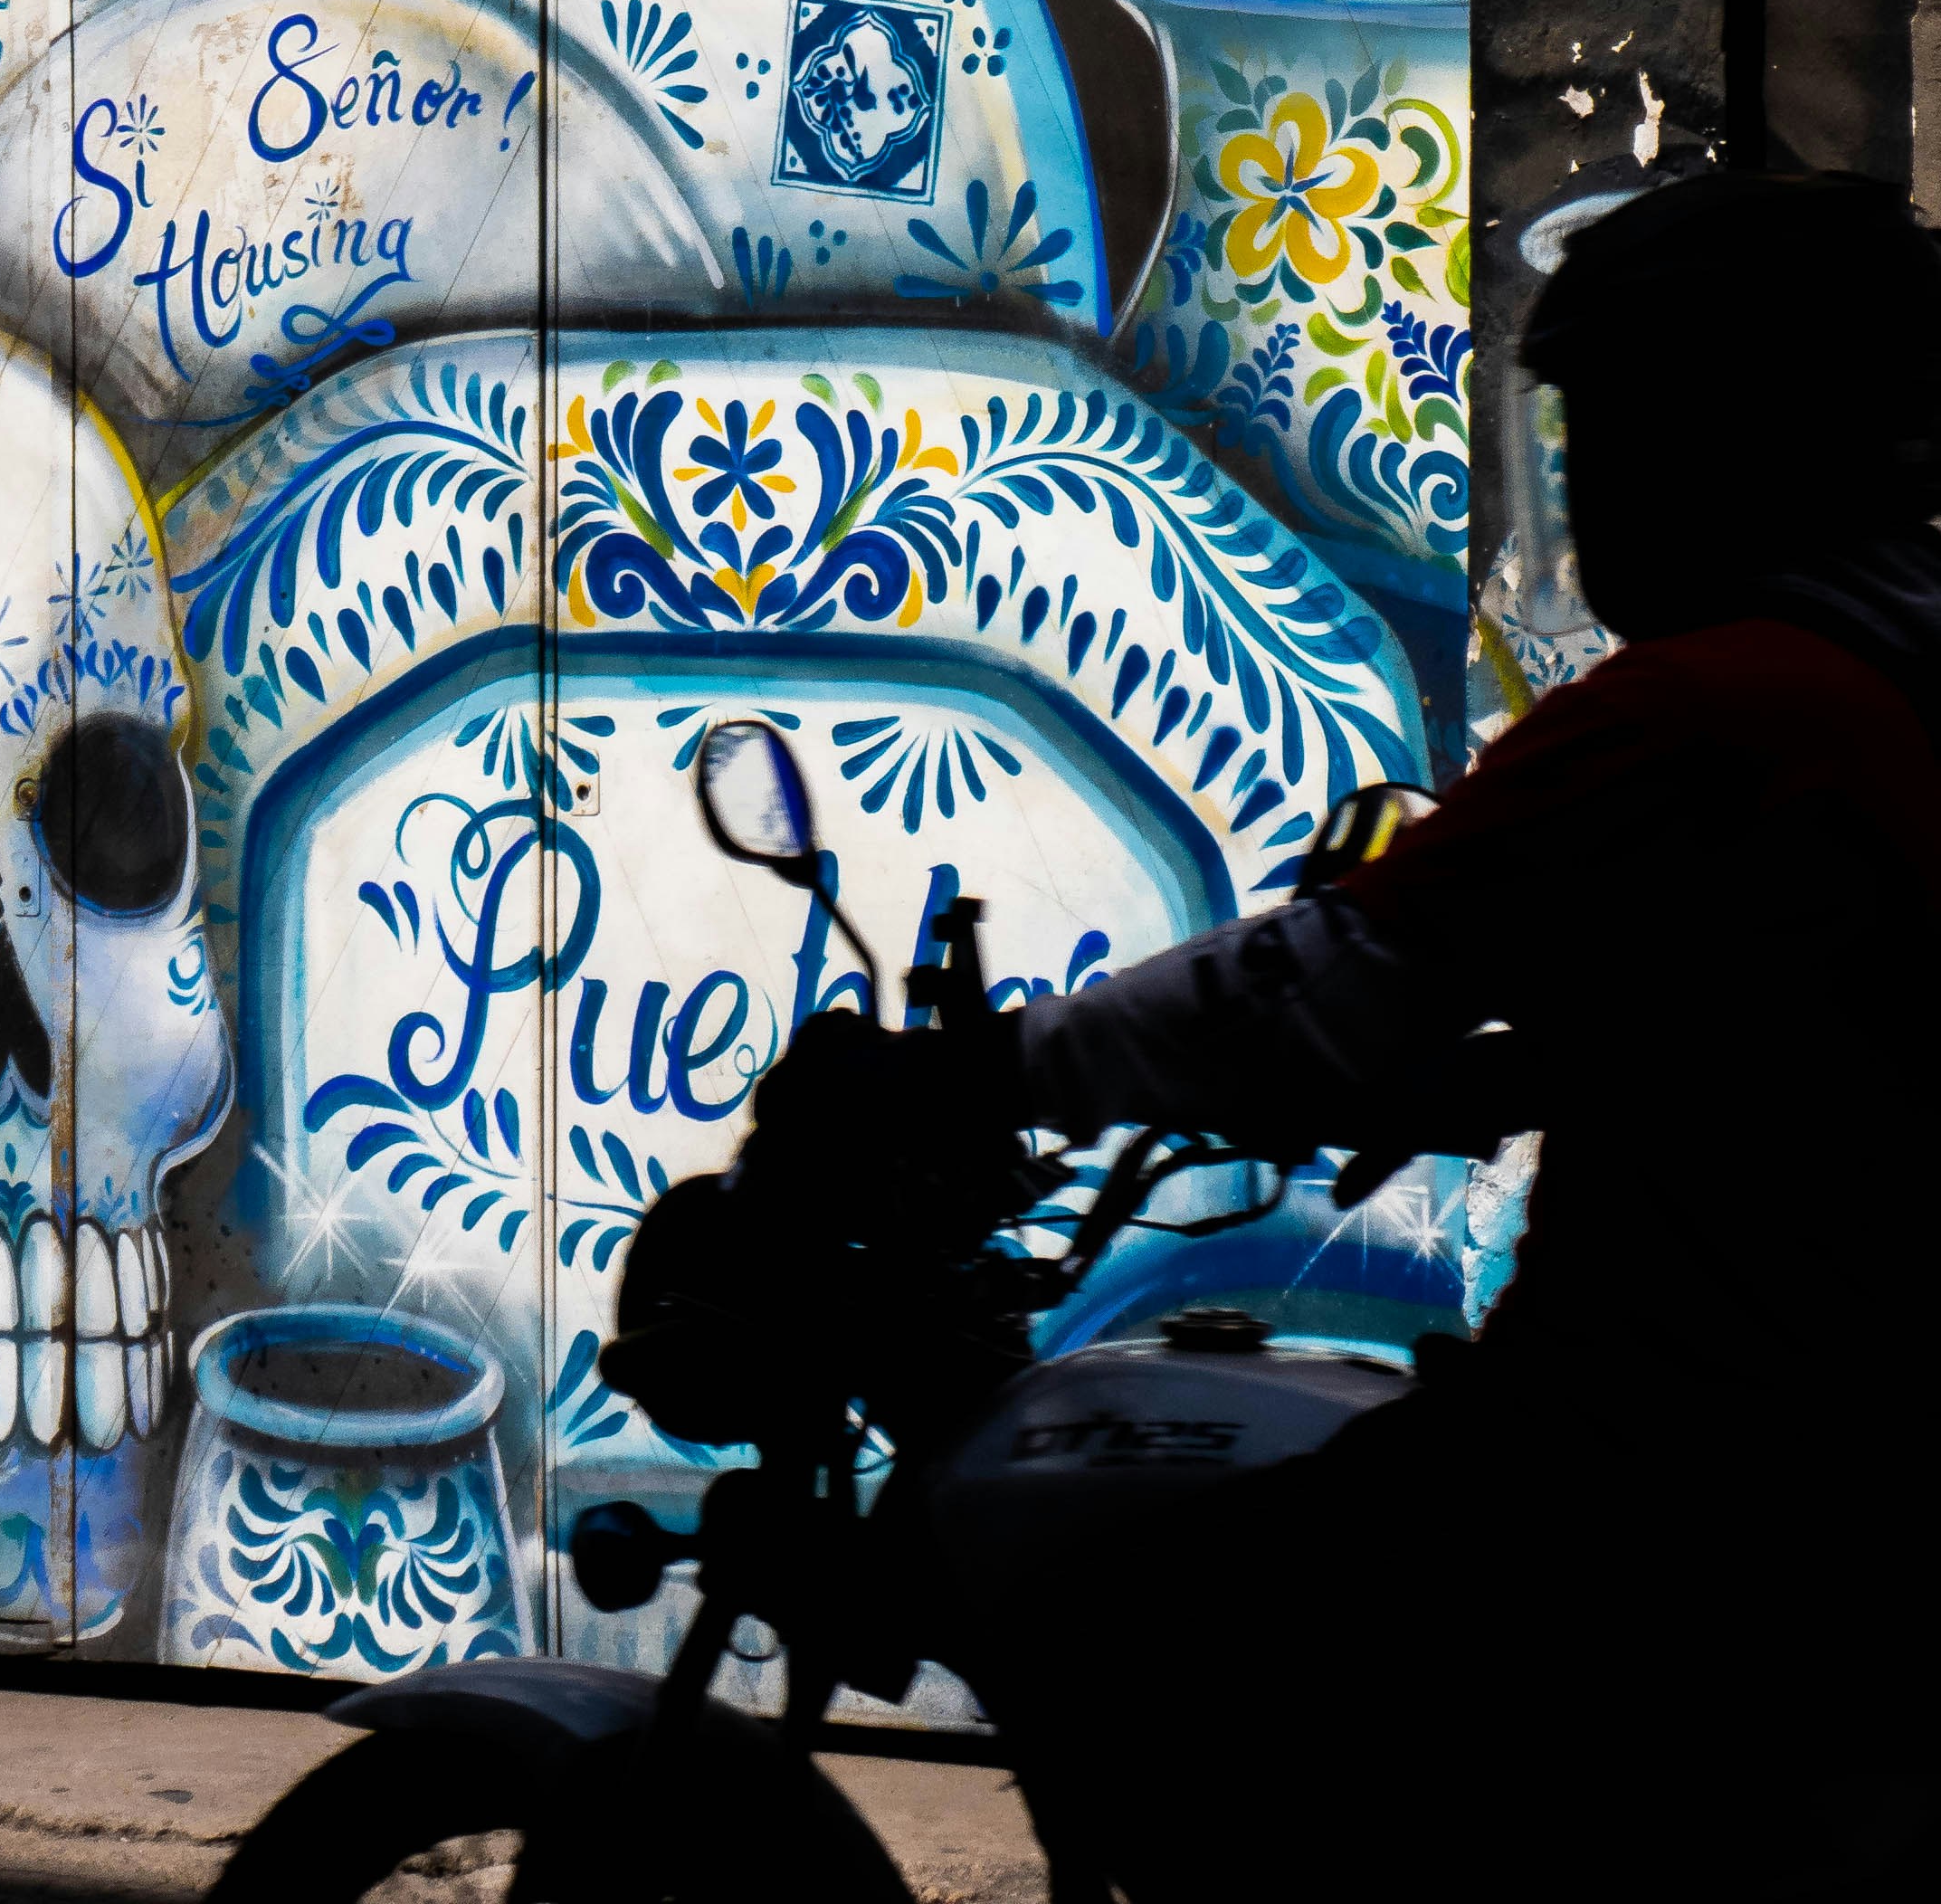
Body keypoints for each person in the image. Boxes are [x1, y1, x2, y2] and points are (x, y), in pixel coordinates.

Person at [755, 167, 1941, 1899]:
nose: (1590, 481)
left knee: (1168, 1620)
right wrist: (1523, 1072)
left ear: (1732, 428)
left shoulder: (1711, 703)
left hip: (1683, 1462)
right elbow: (1822, 1019)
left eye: (1609, 423)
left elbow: (1313, 987)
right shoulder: (1895, 671)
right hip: (1866, 1477)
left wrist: (970, 1072)